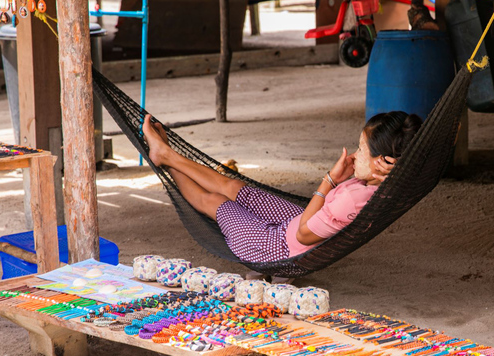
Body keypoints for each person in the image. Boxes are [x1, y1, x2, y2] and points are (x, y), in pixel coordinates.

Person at [142, 111, 422, 263]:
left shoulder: (354, 197)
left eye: (362, 149)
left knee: (215, 200)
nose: (356, 154)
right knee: (234, 186)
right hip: (297, 222)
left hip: (279, 249)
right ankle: (167, 155)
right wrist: (356, 177)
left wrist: (330, 180)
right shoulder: (383, 185)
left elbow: (303, 235)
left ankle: (166, 158)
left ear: (382, 161)